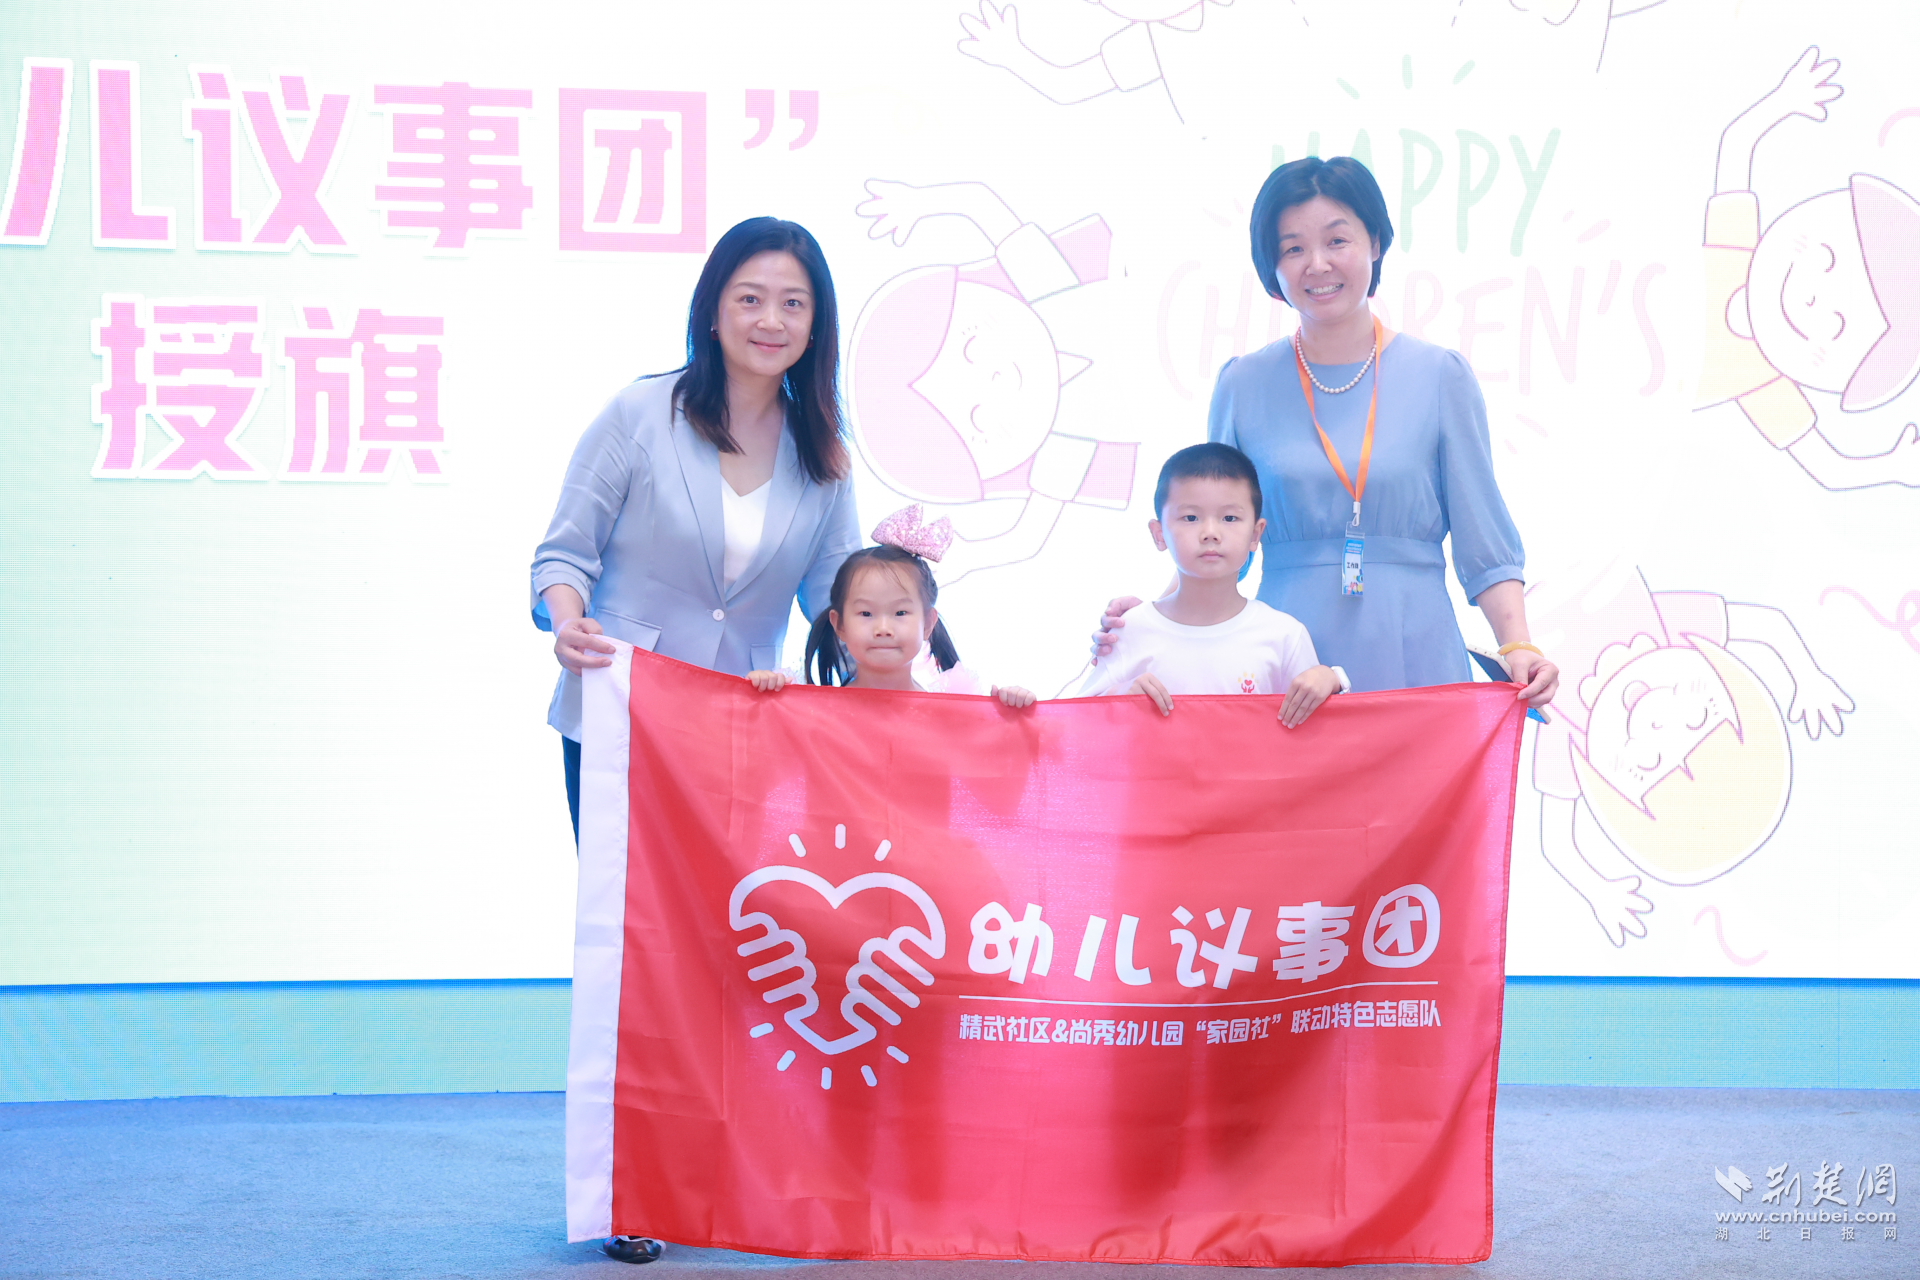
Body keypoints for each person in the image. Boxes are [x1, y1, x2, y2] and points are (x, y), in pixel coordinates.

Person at [527, 216, 862, 1265]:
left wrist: (909, 635)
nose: (771, 319)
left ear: (817, 324)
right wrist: (566, 619)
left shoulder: (824, 450)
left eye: (794, 303)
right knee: (639, 952)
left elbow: (838, 602)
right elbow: (561, 554)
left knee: (727, 954)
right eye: (751, 297)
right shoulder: (643, 413)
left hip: (739, 739)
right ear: (714, 308)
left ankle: (713, 1164)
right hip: (622, 724)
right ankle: (632, 1185)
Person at [1094, 157, 1559, 709]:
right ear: (1272, 265)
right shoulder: (1243, 383)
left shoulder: (1440, 376)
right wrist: (1150, 624)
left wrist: (1518, 643)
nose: (1317, 264)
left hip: (1414, 648)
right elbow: (1217, 527)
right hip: (1283, 655)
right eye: (1293, 248)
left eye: (1337, 240)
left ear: (1375, 242)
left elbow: (1484, 536)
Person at [1079, 443, 1344, 728]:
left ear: (1255, 534)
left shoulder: (1284, 635)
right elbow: (1076, 725)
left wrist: (1334, 680)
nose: (1210, 533)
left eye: (1229, 518)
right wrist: (1119, 698)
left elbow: (1317, 733)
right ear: (1159, 534)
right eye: (1190, 518)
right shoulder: (1129, 630)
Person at [749, 505, 1035, 707]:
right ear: (839, 624)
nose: (883, 628)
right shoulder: (811, 711)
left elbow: (992, 767)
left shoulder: (953, 714)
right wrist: (761, 694)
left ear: (928, 623)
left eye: (900, 613)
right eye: (866, 613)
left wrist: (1012, 714)